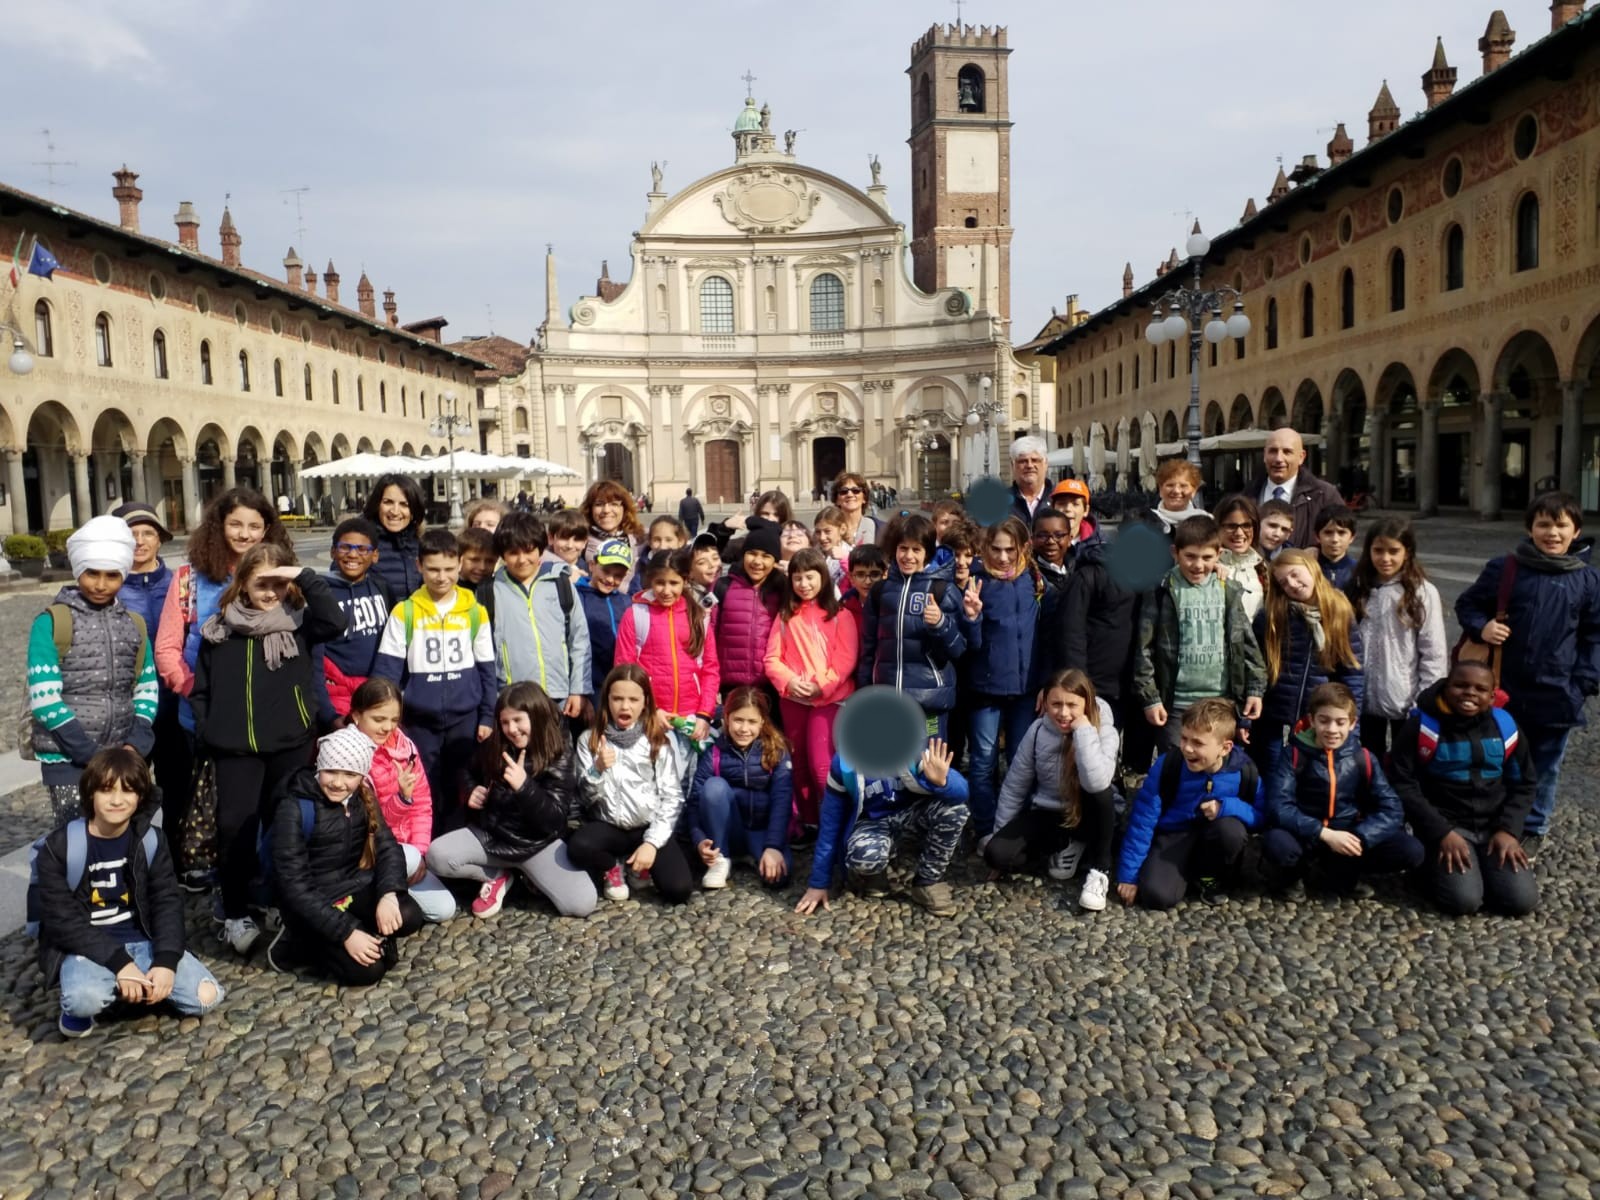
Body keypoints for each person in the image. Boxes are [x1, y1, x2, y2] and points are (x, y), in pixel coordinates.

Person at [191, 543, 347, 953]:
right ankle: (235, 909)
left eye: (279, 582)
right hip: (234, 747)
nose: (270, 591)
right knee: (235, 831)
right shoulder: (219, 630)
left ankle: (277, 899)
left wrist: (301, 576)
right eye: (262, 582)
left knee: (284, 827)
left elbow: (336, 620)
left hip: (288, 743)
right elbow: (202, 688)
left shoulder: (299, 623)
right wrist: (207, 728)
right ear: (242, 580)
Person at [154, 487, 293, 875]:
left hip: (264, 713)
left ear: (268, 530)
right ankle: (214, 874)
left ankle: (262, 874)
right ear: (219, 526)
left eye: (254, 526)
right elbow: (167, 648)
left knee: (261, 801)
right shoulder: (188, 580)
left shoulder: (279, 577)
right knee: (210, 799)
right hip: (204, 713)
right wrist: (195, 691)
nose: (245, 534)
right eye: (236, 524)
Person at [37, 748, 223, 1038]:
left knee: (207, 997)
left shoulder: (151, 840)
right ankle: (94, 999)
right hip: (89, 949)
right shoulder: (60, 847)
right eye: (106, 790)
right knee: (82, 1000)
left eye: (128, 791)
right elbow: (62, 921)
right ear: (90, 794)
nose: (117, 800)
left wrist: (165, 961)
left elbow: (167, 903)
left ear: (140, 797)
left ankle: (135, 990)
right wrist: (120, 964)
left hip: (142, 941)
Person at [1456, 491, 1600, 857]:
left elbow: (1593, 635)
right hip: (1504, 687)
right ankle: (1492, 818)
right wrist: (1482, 627)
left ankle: (1534, 825)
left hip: (1558, 691)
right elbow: (1468, 604)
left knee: (1545, 765)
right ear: (1530, 528)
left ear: (1576, 531)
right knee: (1495, 757)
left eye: (1561, 525)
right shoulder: (1504, 569)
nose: (1552, 532)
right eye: (1544, 524)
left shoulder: (1588, 580)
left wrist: (1582, 683)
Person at [265, 726, 426, 983]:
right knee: (368, 972)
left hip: (354, 886)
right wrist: (347, 932)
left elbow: (387, 848)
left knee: (408, 915)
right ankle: (300, 945)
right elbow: (294, 886)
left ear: (362, 775)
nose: (339, 782)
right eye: (331, 771)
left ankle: (363, 935)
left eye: (349, 774)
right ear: (319, 766)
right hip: (313, 902)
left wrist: (388, 895)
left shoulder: (363, 796)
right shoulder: (294, 808)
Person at [27, 517, 158, 828]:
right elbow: (45, 698)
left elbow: (146, 686)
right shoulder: (51, 622)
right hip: (68, 761)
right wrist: (90, 754)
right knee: (77, 839)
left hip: (123, 755)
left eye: (112, 575)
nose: (101, 584)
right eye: (92, 574)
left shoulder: (134, 623)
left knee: (124, 839)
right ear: (78, 571)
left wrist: (135, 745)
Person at [426, 681, 597, 918]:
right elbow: (466, 769)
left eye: (518, 720)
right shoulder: (495, 744)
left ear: (536, 716)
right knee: (437, 855)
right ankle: (496, 876)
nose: (511, 729)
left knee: (582, 904)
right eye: (505, 722)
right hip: (492, 837)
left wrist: (525, 787)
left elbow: (554, 820)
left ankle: (530, 876)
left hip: (538, 845)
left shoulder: (560, 752)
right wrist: (470, 790)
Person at [1388, 662, 1539, 916]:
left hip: (1493, 827)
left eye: (1480, 689)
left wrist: (1509, 830)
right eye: (1461, 685)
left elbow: (1525, 783)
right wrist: (1441, 833)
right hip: (1447, 828)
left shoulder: (1505, 726)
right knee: (1464, 902)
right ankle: (1429, 868)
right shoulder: (1422, 727)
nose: (1470, 693)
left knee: (1521, 902)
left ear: (1492, 696)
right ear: (1446, 687)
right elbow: (1402, 782)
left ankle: (1482, 870)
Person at [373, 528, 497, 834]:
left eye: (447, 569)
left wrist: (486, 715)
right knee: (422, 787)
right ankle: (423, 850)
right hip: (418, 721)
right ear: (419, 567)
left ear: (459, 566)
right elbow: (387, 672)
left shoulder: (475, 613)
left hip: (464, 719)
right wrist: (387, 719)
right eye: (432, 569)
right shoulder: (405, 612)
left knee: (462, 787)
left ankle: (458, 853)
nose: (441, 577)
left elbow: (487, 670)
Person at [1264, 682, 1424, 892]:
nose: (1332, 729)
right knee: (1277, 843)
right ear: (1312, 720)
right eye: (1324, 721)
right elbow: (1278, 806)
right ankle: (1296, 874)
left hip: (1347, 832)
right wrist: (1323, 833)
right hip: (1308, 834)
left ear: (1352, 723)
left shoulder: (1363, 757)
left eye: (1340, 722)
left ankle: (1342, 871)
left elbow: (1392, 808)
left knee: (1411, 850)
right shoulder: (1294, 754)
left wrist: (1361, 836)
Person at [986, 669, 1120, 912]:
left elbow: (1096, 782)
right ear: (1045, 703)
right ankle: (1065, 845)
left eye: (1072, 705)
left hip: (1090, 812)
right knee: (997, 854)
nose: (1064, 712)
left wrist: (1083, 730)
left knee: (1102, 793)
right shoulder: (1037, 731)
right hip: (1049, 812)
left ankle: (1099, 870)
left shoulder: (1105, 731)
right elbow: (1015, 786)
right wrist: (1000, 833)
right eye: (1056, 704)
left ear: (1086, 704)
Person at [1134, 515, 1265, 758]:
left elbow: (1246, 643)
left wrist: (1255, 689)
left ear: (1219, 555)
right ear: (1175, 553)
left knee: (1216, 764)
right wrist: (1150, 698)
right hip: (1176, 703)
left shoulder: (1227, 588)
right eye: (1190, 556)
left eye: (1207, 558)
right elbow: (1144, 649)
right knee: (1175, 766)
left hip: (1221, 701)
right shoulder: (1162, 590)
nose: (1198, 565)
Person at [798, 735, 970, 918]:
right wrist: (818, 883)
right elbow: (830, 822)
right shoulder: (844, 764)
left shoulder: (914, 751)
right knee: (863, 855)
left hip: (913, 814)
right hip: (874, 822)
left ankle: (927, 881)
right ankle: (875, 876)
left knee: (955, 811)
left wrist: (943, 782)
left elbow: (962, 793)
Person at [1116, 699, 1265, 909]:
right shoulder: (1168, 765)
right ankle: (1183, 873)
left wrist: (1227, 807)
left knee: (1231, 830)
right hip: (1173, 836)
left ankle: (1208, 877)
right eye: (1184, 738)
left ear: (1225, 748)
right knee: (1157, 896)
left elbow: (1261, 816)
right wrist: (1128, 876)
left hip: (1213, 837)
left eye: (1198, 743)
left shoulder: (1245, 771)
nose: (1187, 748)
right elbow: (1142, 822)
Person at [569, 665, 694, 904]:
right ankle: (612, 867)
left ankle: (639, 864)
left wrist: (652, 843)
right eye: (617, 699)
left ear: (645, 702)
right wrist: (597, 770)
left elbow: (672, 797)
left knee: (679, 890)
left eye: (633, 699)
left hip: (646, 826)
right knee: (578, 847)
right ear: (607, 700)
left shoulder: (657, 741)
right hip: (608, 826)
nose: (625, 706)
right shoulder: (590, 739)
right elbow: (584, 798)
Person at [958, 517, 1043, 839]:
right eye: (996, 549)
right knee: (982, 762)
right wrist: (972, 617)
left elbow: (1044, 634)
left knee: (1021, 762)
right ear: (984, 548)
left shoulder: (1033, 579)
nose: (1003, 558)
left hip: (1025, 688)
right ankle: (985, 828)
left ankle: (1015, 827)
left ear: (1023, 548)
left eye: (1010, 550)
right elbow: (971, 645)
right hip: (985, 688)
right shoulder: (975, 582)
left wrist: (1045, 681)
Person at [346, 677, 455, 923]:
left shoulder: (407, 748)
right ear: (356, 716)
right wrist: (401, 799)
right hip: (369, 853)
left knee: (444, 909)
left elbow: (423, 806)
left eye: (394, 720)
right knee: (408, 861)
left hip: (406, 852)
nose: (387, 727)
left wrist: (421, 853)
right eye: (379, 719)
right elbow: (368, 825)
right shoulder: (348, 756)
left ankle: (394, 888)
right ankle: (376, 893)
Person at [764, 547, 857, 832]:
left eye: (810, 577)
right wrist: (790, 681)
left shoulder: (841, 616)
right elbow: (771, 658)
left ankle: (837, 822)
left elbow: (845, 660)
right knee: (799, 765)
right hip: (793, 699)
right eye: (797, 578)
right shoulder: (785, 616)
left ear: (823, 577)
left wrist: (820, 687)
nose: (803, 584)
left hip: (829, 701)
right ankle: (809, 821)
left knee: (821, 767)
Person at [857, 514, 966, 741]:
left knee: (930, 769)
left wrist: (940, 624)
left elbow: (959, 649)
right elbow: (868, 648)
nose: (908, 556)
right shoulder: (880, 592)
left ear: (927, 552)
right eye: (903, 548)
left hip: (930, 700)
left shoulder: (942, 590)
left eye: (916, 550)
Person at [1254, 549, 1364, 774]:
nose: (1292, 584)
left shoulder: (1339, 611)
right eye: (1283, 582)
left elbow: (1352, 673)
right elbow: (1255, 665)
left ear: (1311, 568)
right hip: (1273, 716)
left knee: (1309, 776)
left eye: (1295, 574)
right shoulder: (1272, 614)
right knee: (1272, 773)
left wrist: (1353, 722)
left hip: (1317, 717)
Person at [1346, 517, 1447, 759]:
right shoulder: (1357, 587)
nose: (1385, 558)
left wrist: (1425, 698)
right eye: (1378, 551)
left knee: (1406, 763)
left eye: (1394, 551)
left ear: (1407, 552)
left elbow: (1433, 652)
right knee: (1368, 760)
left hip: (1405, 697)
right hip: (1364, 696)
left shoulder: (1422, 592)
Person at [478, 511, 590, 721]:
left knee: (559, 752)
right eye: (513, 552)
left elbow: (579, 640)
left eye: (529, 551)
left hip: (558, 696)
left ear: (540, 548)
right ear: (502, 555)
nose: (522, 560)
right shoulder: (489, 591)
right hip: (512, 700)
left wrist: (578, 689)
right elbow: (485, 652)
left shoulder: (560, 583)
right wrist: (491, 700)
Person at [614, 548, 720, 767]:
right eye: (660, 582)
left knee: (690, 786)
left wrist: (704, 714)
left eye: (674, 583)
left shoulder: (699, 617)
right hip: (651, 720)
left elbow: (710, 668)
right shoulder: (635, 615)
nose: (666, 590)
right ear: (650, 580)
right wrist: (650, 711)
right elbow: (625, 672)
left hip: (691, 720)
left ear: (685, 580)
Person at [686, 686, 794, 889]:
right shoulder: (715, 753)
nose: (744, 729)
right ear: (726, 718)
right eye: (738, 720)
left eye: (752, 721)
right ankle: (722, 859)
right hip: (727, 831)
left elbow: (782, 801)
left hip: (761, 831)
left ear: (762, 721)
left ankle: (754, 855)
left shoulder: (777, 750)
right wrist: (699, 840)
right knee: (713, 787)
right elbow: (694, 801)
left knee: (778, 878)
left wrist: (773, 846)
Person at [312, 517, 393, 731]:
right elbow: (315, 660)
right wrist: (328, 715)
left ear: (375, 555)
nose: (353, 555)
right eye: (345, 547)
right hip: (337, 696)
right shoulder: (321, 593)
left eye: (362, 549)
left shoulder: (382, 589)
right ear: (332, 552)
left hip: (377, 693)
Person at [713, 520, 786, 711]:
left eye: (766, 556)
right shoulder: (724, 586)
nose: (757, 562)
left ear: (775, 561)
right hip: (730, 685)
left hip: (770, 686)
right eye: (752, 553)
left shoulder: (783, 590)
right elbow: (710, 635)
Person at [1256, 429, 1343, 550]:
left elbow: (1340, 539)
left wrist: (1317, 551)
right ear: (1264, 455)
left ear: (1301, 457)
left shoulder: (1325, 495)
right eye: (1273, 451)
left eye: (1287, 452)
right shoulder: (1248, 495)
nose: (1278, 459)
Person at [575, 539, 635, 709]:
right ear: (592, 565)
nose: (610, 579)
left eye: (618, 576)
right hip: (590, 686)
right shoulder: (576, 596)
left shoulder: (626, 602)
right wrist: (581, 692)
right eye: (606, 571)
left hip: (620, 684)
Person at [363, 473, 427, 599]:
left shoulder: (421, 544)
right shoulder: (361, 544)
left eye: (404, 504)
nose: (395, 511)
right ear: (377, 505)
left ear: (414, 510)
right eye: (388, 502)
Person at [579, 481, 648, 592]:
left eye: (614, 504)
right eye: (599, 504)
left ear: (624, 508)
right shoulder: (580, 539)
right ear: (590, 509)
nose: (606, 510)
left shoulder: (641, 537)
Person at [1213, 494, 1266, 621]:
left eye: (1246, 525)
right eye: (1231, 526)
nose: (1239, 533)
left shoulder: (1262, 567)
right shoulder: (1205, 568)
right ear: (1217, 528)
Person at [1142, 460, 1208, 541]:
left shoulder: (1206, 522)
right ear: (1160, 489)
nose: (1176, 491)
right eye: (1170, 485)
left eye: (1183, 486)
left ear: (1194, 491)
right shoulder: (1145, 522)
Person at [1006, 437, 1053, 527]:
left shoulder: (1058, 499)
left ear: (1046, 464)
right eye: (1023, 461)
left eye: (1035, 460)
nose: (1030, 465)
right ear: (1013, 465)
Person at [1313, 505, 1360, 592]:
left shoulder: (1359, 572)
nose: (1335, 539)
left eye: (1341, 532)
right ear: (1317, 536)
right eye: (1328, 532)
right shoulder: (1308, 569)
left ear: (1352, 537)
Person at [840, 544, 888, 626]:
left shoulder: (893, 608)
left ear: (884, 575)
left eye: (874, 574)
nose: (868, 581)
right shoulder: (844, 606)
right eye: (860, 575)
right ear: (851, 577)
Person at [831, 472, 879, 548]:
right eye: (844, 491)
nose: (850, 494)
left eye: (856, 490)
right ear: (837, 500)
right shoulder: (825, 531)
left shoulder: (880, 529)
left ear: (864, 498)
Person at [812, 506, 850, 586]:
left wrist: (845, 559)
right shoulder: (812, 554)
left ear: (842, 529)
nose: (822, 537)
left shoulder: (851, 554)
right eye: (818, 532)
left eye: (827, 531)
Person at [546, 510, 590, 578]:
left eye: (577, 539)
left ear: (584, 543)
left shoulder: (590, 572)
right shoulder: (539, 568)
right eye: (564, 538)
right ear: (551, 538)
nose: (570, 545)